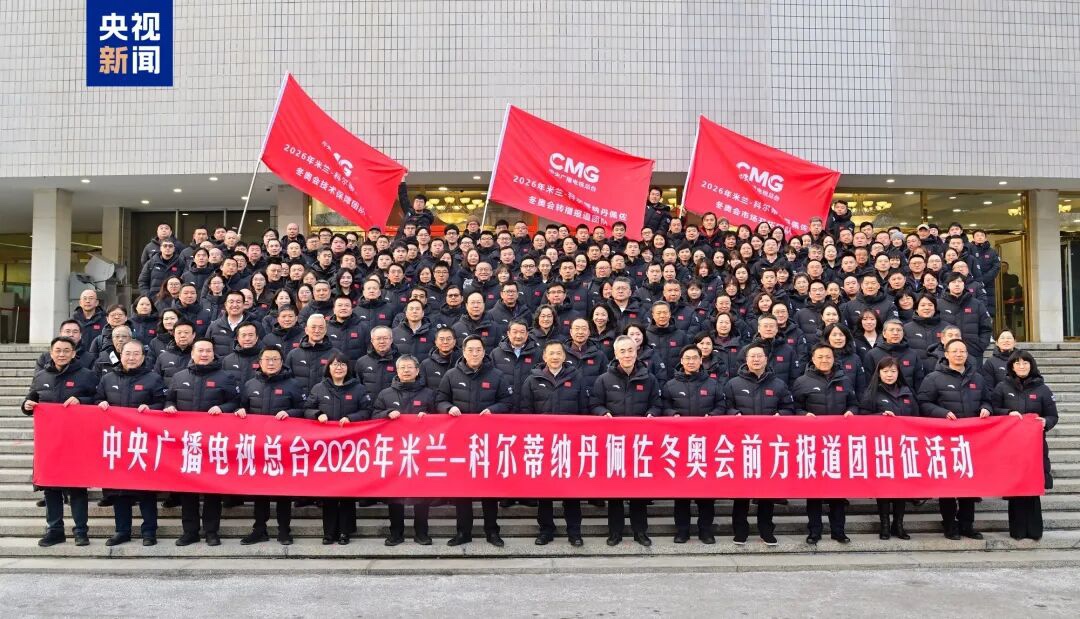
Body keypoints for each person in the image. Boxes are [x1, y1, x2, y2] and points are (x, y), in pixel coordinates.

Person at [435, 335, 514, 546]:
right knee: (462, 489)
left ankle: (492, 531)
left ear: (484, 351)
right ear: (463, 352)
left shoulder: (496, 375)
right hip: (460, 441)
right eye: (470, 350)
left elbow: (507, 402)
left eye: (478, 349)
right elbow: (440, 400)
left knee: (489, 489)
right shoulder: (451, 375)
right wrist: (448, 408)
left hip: (488, 442)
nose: (474, 353)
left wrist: (494, 410)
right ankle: (463, 532)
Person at [164, 339, 241, 546]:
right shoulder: (179, 377)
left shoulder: (225, 377)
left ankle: (211, 531)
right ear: (192, 353)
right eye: (200, 350)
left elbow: (235, 402)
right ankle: (190, 531)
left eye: (208, 351)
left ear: (214, 354)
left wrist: (223, 409)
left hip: (213, 443)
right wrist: (170, 406)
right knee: (187, 489)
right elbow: (169, 399)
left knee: (212, 489)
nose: (204, 354)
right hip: (186, 443)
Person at [23, 337, 98, 547]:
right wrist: (26, 405)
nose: (62, 354)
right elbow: (31, 398)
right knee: (51, 488)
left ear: (74, 353)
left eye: (66, 350)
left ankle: (81, 531)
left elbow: (99, 400)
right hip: (49, 442)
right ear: (51, 352)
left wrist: (81, 401)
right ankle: (55, 530)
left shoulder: (87, 375)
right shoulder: (41, 376)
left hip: (77, 441)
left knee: (77, 488)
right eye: (58, 350)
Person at [916, 338, 993, 540]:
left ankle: (967, 525)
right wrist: (941, 413)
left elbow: (988, 399)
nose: (959, 354)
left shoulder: (977, 378)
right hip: (945, 440)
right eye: (955, 351)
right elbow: (923, 403)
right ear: (946, 354)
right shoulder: (934, 378)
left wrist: (986, 408)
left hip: (972, 440)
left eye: (963, 351)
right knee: (948, 485)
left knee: (970, 483)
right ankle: (950, 524)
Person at [590, 335, 662, 547]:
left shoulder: (649, 379)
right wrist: (602, 413)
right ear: (615, 353)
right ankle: (615, 532)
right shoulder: (604, 379)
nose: (627, 354)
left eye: (630, 350)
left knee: (639, 490)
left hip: (640, 444)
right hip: (615, 443)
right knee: (615, 491)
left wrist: (651, 414)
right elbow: (594, 404)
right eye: (622, 351)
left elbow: (657, 404)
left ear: (636, 351)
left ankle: (640, 532)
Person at [95, 340, 166, 546]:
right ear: (120, 354)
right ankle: (122, 531)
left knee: (146, 490)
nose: (131, 358)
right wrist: (100, 403)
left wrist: (151, 408)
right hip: (117, 443)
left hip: (144, 442)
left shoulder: (153, 378)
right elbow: (96, 399)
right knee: (119, 490)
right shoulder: (108, 378)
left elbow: (162, 403)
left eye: (136, 354)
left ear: (143, 357)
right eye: (127, 353)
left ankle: (149, 531)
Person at [723, 344, 795, 545]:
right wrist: (734, 414)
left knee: (767, 490)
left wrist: (781, 414)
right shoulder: (733, 384)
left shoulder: (778, 384)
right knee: (742, 491)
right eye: (752, 356)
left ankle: (766, 529)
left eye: (759, 356)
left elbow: (789, 408)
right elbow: (725, 407)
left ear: (766, 359)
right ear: (746, 360)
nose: (756, 359)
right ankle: (740, 530)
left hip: (768, 446)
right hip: (742, 445)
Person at [234, 346, 306, 545]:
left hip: (283, 447)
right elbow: (241, 407)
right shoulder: (250, 384)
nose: (271, 363)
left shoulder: (293, 384)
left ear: (282, 362)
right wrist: (240, 411)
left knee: (283, 492)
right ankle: (259, 529)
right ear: (260, 362)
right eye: (267, 359)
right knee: (260, 491)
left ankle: (284, 530)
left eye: (275, 359)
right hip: (258, 448)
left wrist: (290, 413)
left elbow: (304, 409)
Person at [519, 341, 588, 546]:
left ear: (564, 356)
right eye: (551, 353)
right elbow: (525, 412)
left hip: (569, 444)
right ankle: (546, 530)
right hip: (543, 444)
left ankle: (574, 532)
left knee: (571, 491)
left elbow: (584, 410)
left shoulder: (576, 378)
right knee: (545, 490)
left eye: (559, 353)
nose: (555, 357)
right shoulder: (532, 380)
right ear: (544, 356)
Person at [304, 351, 372, 544]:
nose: (338, 367)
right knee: (329, 491)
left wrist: (351, 418)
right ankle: (329, 532)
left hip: (351, 448)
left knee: (347, 491)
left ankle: (345, 531)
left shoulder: (358, 388)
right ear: (329, 368)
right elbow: (306, 409)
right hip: (326, 449)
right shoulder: (319, 388)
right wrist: (317, 414)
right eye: (335, 364)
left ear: (348, 368)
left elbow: (367, 410)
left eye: (342, 364)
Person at [792, 344, 857, 544]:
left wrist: (851, 411)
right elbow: (794, 408)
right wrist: (803, 415)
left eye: (828, 357)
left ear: (833, 358)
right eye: (820, 357)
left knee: (838, 490)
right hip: (813, 444)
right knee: (814, 491)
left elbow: (853, 403)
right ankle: (814, 531)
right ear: (813, 359)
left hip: (838, 443)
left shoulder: (844, 380)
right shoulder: (802, 382)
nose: (824, 360)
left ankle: (839, 531)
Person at [990, 350, 1058, 540]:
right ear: (1011, 366)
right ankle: (1018, 531)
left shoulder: (1042, 389)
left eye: (1025, 363)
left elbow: (1053, 415)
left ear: (1031, 365)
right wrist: (1007, 413)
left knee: (1033, 486)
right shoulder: (1002, 387)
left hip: (1034, 446)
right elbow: (993, 409)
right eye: (1017, 363)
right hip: (1011, 447)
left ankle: (1034, 531)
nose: (1022, 366)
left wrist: (1046, 422)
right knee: (1016, 487)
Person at [661, 345, 724, 544]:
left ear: (700, 360)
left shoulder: (713, 384)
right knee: (682, 492)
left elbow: (721, 405)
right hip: (680, 446)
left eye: (694, 358)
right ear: (681, 361)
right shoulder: (670, 385)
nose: (691, 362)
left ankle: (705, 530)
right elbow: (664, 406)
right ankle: (682, 530)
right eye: (687, 358)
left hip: (706, 445)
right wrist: (673, 415)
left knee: (706, 492)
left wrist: (712, 416)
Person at [372, 355, 436, 546]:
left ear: (417, 371)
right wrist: (386, 414)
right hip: (395, 452)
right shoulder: (385, 394)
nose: (406, 371)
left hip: (421, 452)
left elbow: (439, 416)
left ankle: (421, 533)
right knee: (395, 494)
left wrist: (429, 416)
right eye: (402, 368)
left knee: (422, 495)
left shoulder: (428, 394)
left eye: (410, 367)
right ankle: (396, 533)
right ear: (397, 371)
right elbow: (374, 415)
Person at [859, 356, 919, 540]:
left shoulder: (907, 393)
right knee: (884, 488)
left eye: (893, 371)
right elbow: (862, 418)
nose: (889, 375)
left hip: (903, 447)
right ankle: (884, 525)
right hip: (882, 448)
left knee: (901, 488)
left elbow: (917, 417)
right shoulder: (871, 393)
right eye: (885, 371)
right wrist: (880, 416)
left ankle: (898, 525)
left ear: (899, 373)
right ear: (879, 373)